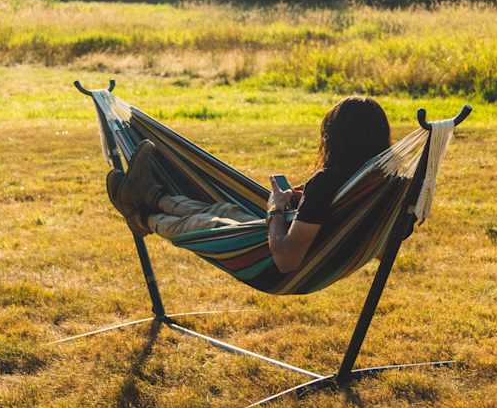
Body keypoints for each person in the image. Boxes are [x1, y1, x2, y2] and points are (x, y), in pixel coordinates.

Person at [106, 96, 392, 274]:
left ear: (334, 138)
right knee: (224, 208)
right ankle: (153, 198)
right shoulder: (381, 179)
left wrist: (276, 209)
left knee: (207, 225)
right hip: (328, 253)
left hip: (280, 259)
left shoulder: (327, 182)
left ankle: (142, 216)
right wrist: (303, 201)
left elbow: (286, 260)